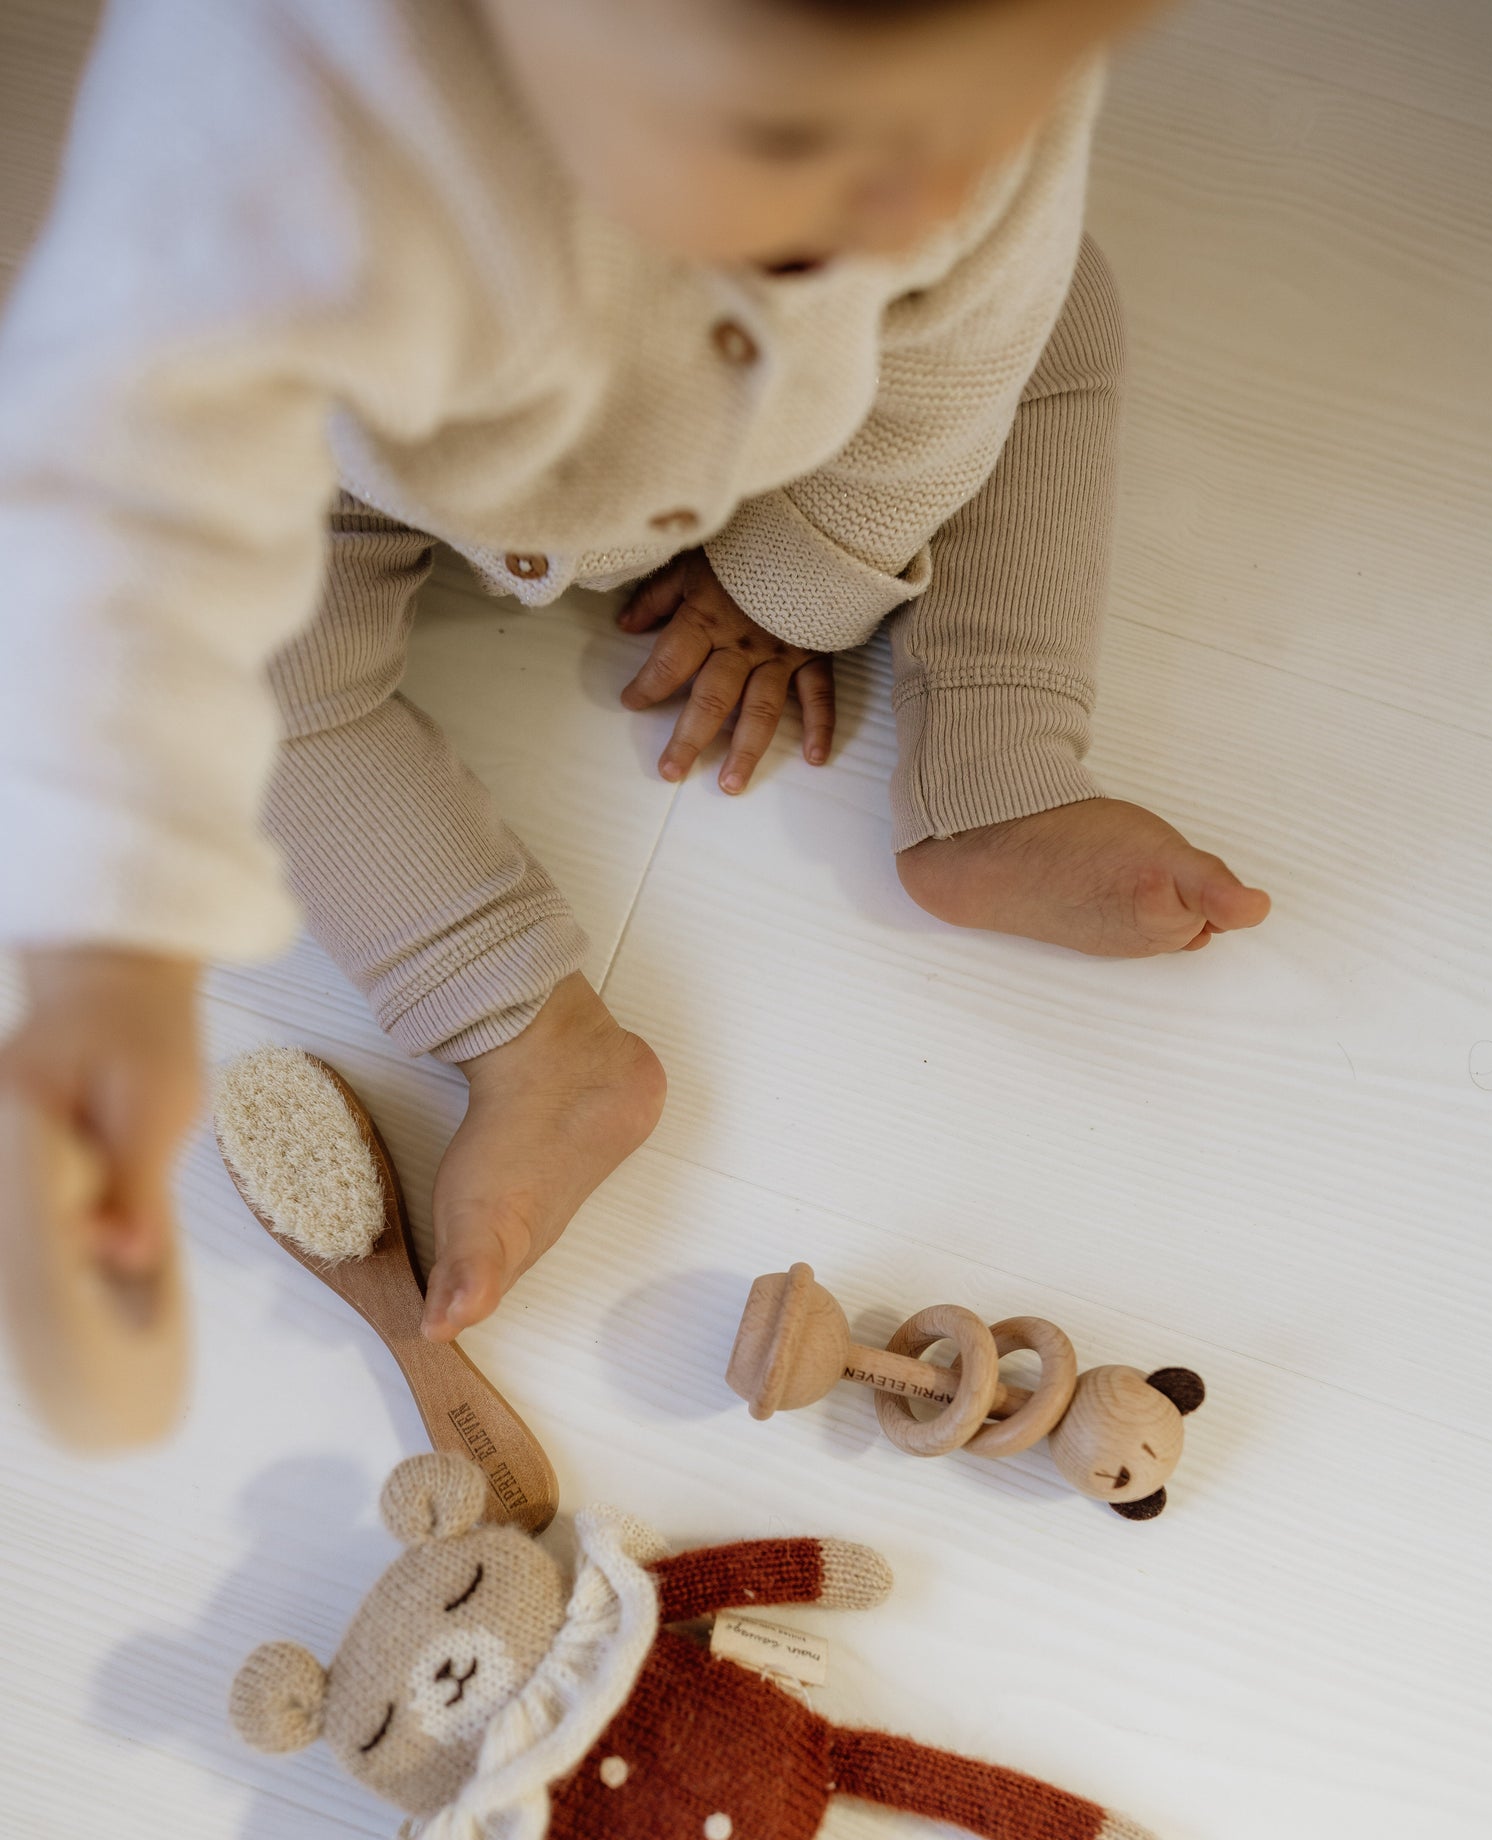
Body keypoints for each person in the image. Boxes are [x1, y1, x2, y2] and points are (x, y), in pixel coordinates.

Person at [0, 0, 1270, 1352]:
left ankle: (999, 762)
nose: (926, 200)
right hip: (370, 470)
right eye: (800, 141)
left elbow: (945, 386)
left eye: (999, 118)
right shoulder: (271, 124)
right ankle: (524, 1032)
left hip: (792, 421)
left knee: (1053, 307)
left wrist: (797, 577)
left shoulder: (947, 145)